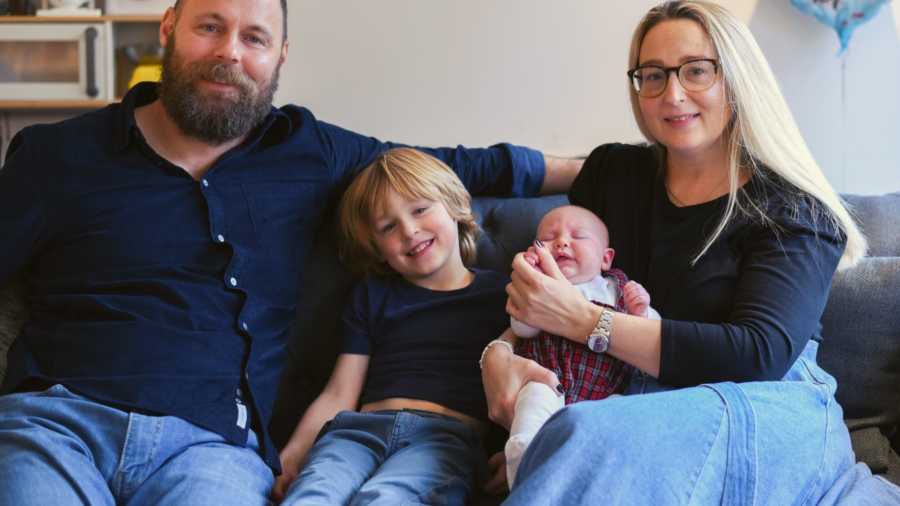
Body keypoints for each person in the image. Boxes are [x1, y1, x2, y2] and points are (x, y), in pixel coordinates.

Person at [0, 1, 580, 504]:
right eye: (209, 27)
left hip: (210, 450)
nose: (230, 52)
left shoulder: (307, 151)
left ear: (280, 55)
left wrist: (617, 168)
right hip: (56, 427)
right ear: (169, 28)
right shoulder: (58, 155)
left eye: (254, 37)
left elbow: (455, 165)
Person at [482, 1, 899, 504]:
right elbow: (549, 295)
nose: (672, 94)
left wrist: (586, 323)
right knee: (582, 432)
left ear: (737, 77)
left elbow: (757, 353)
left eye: (697, 70)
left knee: (586, 433)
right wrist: (498, 354)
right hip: (642, 404)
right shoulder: (613, 175)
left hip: (769, 402)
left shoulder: (794, 207)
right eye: (653, 75)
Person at [274, 147, 508, 505]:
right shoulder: (373, 295)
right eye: (388, 226)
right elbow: (340, 393)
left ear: (456, 205)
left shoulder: (502, 295)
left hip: (443, 441)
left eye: (420, 210)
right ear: (377, 247)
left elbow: (521, 384)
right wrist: (293, 453)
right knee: (311, 495)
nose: (410, 231)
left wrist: (520, 447)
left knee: (387, 499)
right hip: (355, 434)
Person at [503, 205, 659, 486]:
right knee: (534, 398)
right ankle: (525, 453)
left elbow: (653, 335)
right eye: (548, 238)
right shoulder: (537, 288)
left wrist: (641, 312)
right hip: (548, 380)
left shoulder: (619, 290)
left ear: (605, 258)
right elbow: (521, 328)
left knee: (619, 418)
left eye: (579, 236)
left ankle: (595, 474)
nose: (562, 242)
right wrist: (530, 280)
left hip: (606, 391)